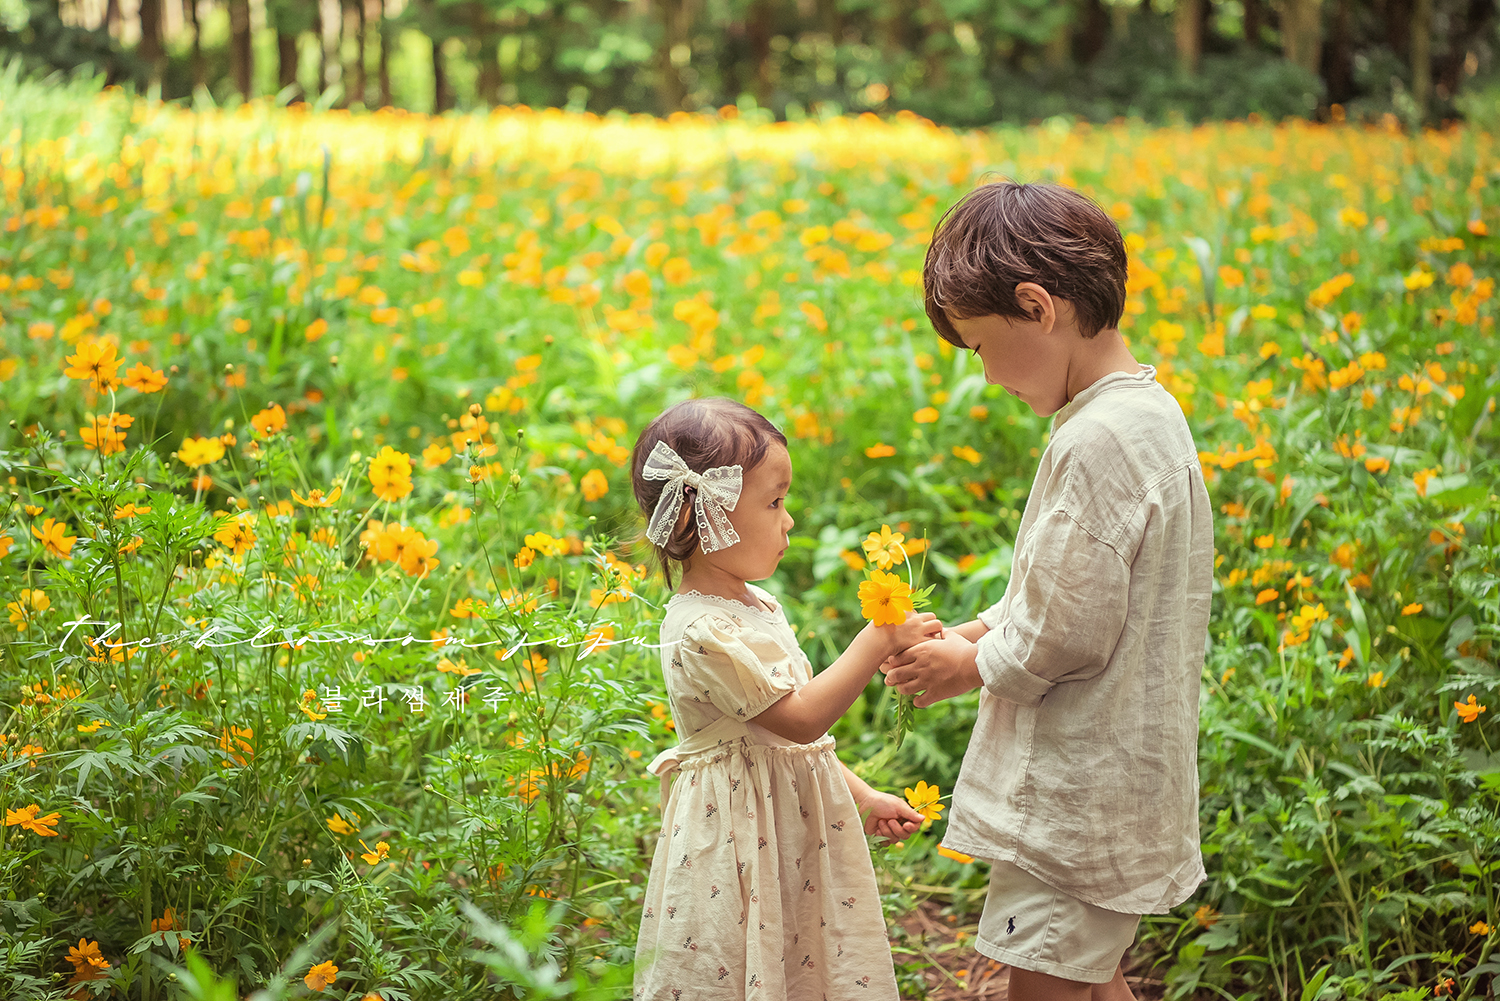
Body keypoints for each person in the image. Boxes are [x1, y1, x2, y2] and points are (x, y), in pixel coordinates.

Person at [880, 181, 1214, 1001]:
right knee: (1092, 978)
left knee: (1044, 986)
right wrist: (980, 625)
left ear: (1036, 306)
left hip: (1077, 796)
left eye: (981, 347)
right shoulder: (1145, 412)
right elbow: (1075, 582)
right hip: (1117, 785)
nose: (987, 377)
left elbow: (1065, 631)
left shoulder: (1097, 440)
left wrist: (968, 663)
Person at [629, 396, 941, 1001]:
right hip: (738, 842)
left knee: (801, 960)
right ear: (705, 519)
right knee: (742, 958)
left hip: (789, 830)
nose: (789, 520)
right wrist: (876, 638)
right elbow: (799, 720)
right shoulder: (701, 628)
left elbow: (792, 747)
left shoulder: (755, 606)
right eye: (774, 502)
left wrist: (864, 795)